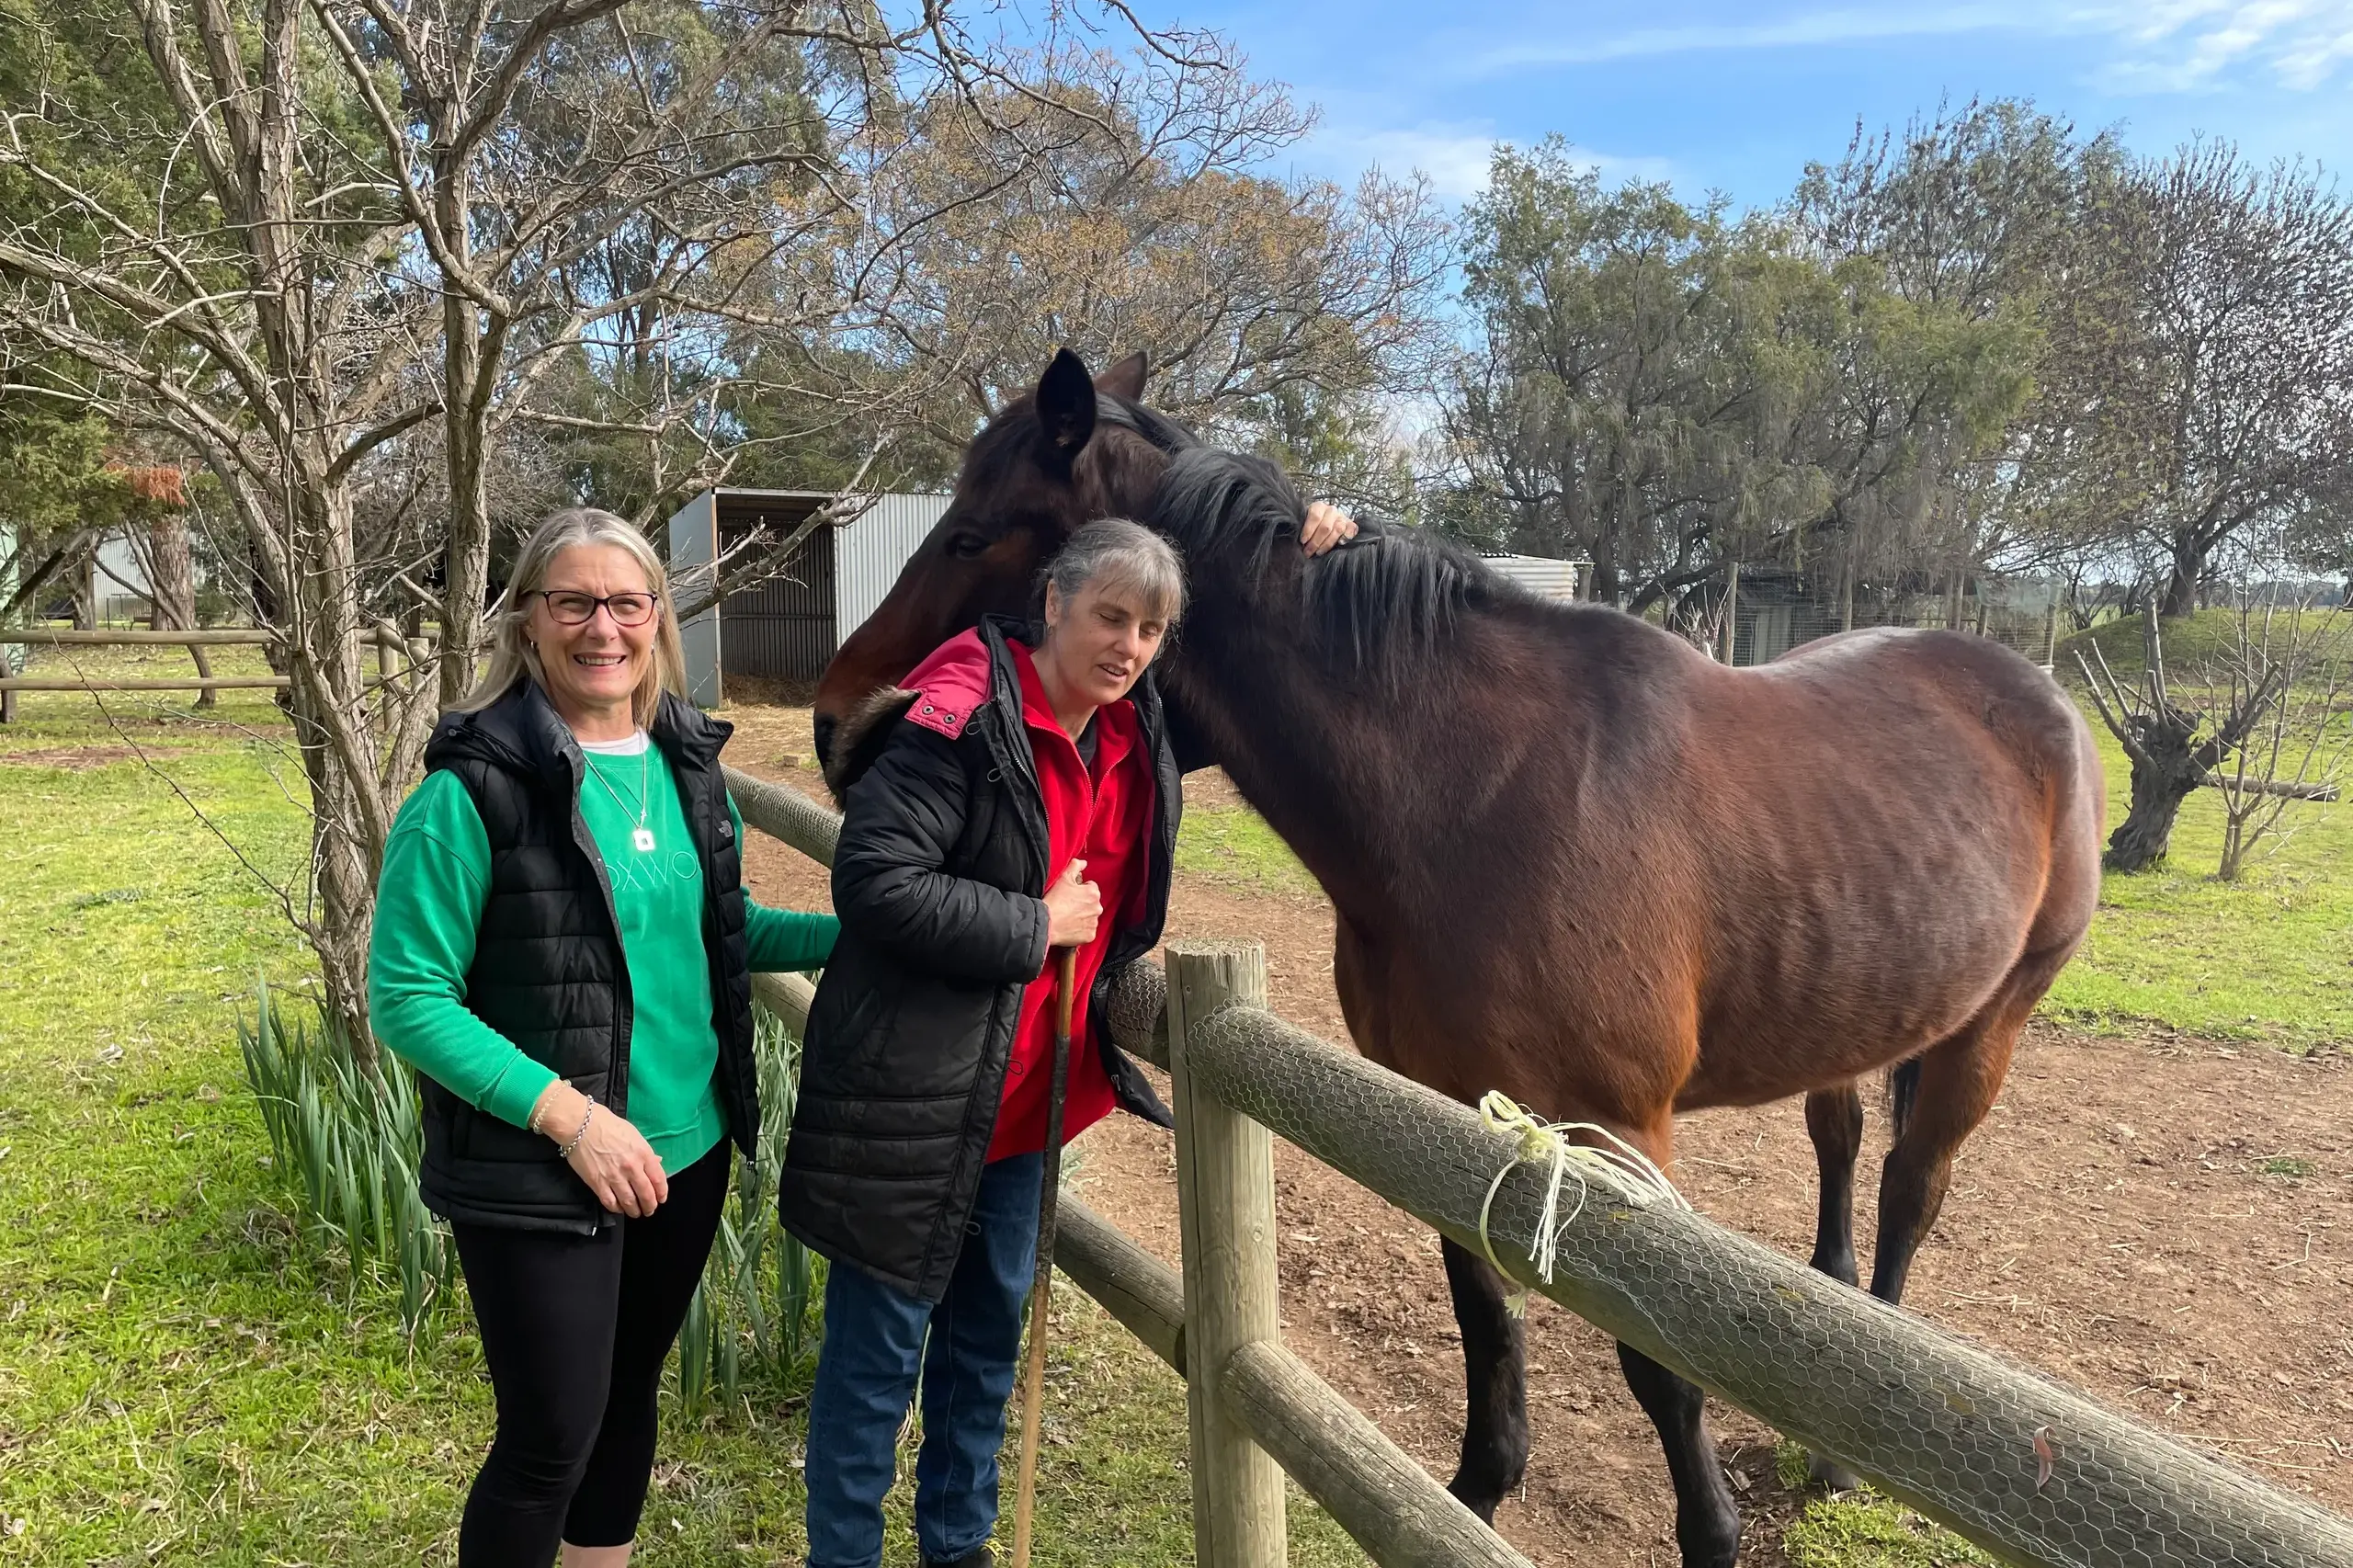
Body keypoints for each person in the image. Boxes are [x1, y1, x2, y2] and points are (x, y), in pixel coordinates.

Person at [780, 503, 1353, 1568]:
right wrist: (1033, 923)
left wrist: (1307, 547)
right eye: (1108, 616)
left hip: (1032, 1102)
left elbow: (1261, 653)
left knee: (985, 1349)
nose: (1127, 645)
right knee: (876, 1366)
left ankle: (957, 1549)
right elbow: (873, 884)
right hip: (912, 1098)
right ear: (1052, 603)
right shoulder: (952, 718)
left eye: (1147, 629)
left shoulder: (1136, 730)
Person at [368, 507, 839, 1568]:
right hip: (549, 1165)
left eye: (626, 602)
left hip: (687, 1148)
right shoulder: (471, 789)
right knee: (547, 1442)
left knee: (627, 1403)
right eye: (572, 601)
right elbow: (407, 994)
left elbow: (719, 929)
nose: (602, 627)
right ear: (528, 621)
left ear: (658, 619)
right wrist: (574, 1120)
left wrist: (871, 930)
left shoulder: (684, 762)